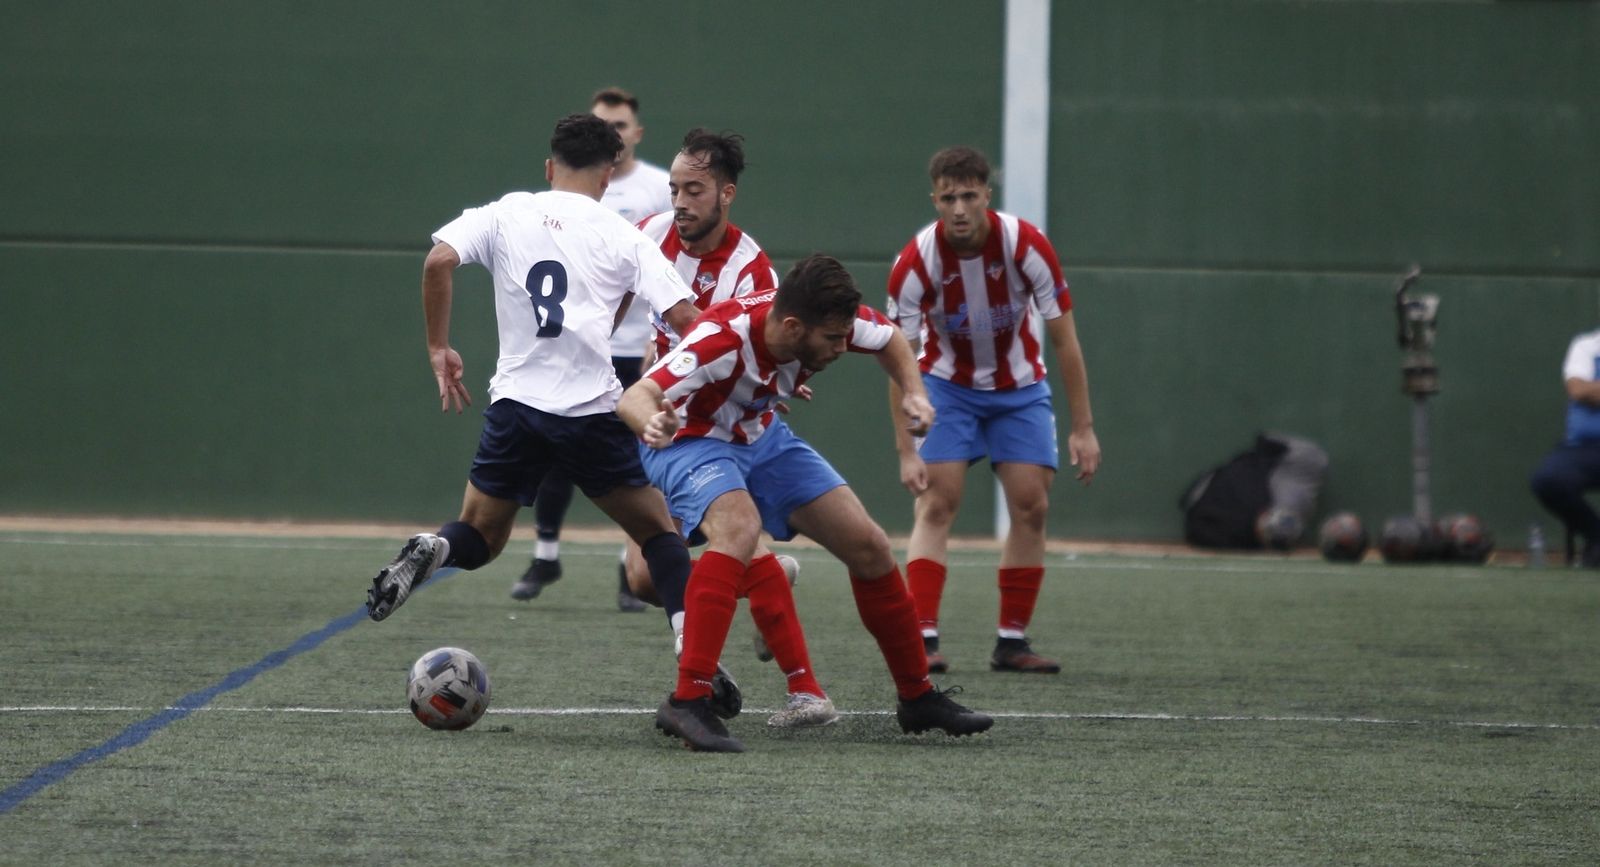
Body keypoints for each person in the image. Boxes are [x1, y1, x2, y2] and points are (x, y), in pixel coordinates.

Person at [364, 113, 742, 716]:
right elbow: (688, 323)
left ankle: (435, 548)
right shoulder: (625, 236)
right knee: (658, 535)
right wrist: (745, 374)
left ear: (549, 167)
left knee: (480, 537)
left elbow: (437, 262)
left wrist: (439, 348)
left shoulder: (505, 212)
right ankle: (689, 648)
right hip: (590, 411)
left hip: (515, 408)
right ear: (610, 174)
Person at [618, 254, 995, 753]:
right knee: (737, 528)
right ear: (793, 327)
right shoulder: (721, 339)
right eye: (833, 339)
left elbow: (891, 340)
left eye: (845, 336)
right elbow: (635, 396)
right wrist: (652, 422)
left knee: (869, 546)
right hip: (688, 441)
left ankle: (918, 696)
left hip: (762, 437)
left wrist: (915, 393)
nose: (842, 347)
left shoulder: (822, 322)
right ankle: (687, 701)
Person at [885, 146, 1102, 676]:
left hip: (1019, 387)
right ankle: (922, 639)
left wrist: (1083, 428)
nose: (959, 209)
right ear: (934, 200)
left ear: (987, 194)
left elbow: (1066, 341)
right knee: (938, 502)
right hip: (945, 387)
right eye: (948, 198)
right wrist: (906, 450)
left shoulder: (1026, 246)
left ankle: (1011, 642)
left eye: (969, 196)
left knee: (1032, 505)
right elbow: (898, 359)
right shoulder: (915, 263)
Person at [511, 87, 674, 611]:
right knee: (558, 454)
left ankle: (632, 570)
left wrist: (657, 335)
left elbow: (668, 260)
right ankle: (545, 555)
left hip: (637, 351)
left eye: (621, 125)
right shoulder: (560, 197)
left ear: (636, 134)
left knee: (636, 457)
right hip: (580, 345)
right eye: (605, 124)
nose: (614, 133)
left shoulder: (658, 189)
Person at [1529, 326, 1600, 568]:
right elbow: (1578, 390)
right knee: (1548, 480)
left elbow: (1588, 390)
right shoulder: (1587, 346)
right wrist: (1587, 391)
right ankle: (1596, 537)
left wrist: (1593, 389)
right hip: (1585, 448)